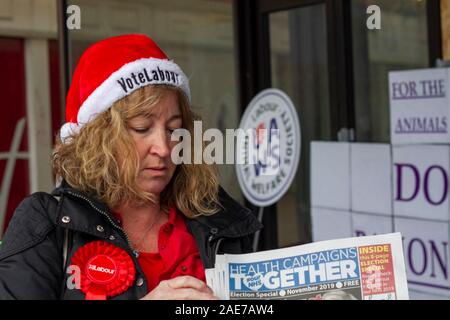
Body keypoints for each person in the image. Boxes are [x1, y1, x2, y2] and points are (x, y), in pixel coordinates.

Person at [0, 34, 262, 300]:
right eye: (141, 128)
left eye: (173, 129)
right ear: (99, 138)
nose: (163, 147)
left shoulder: (218, 217)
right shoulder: (48, 222)